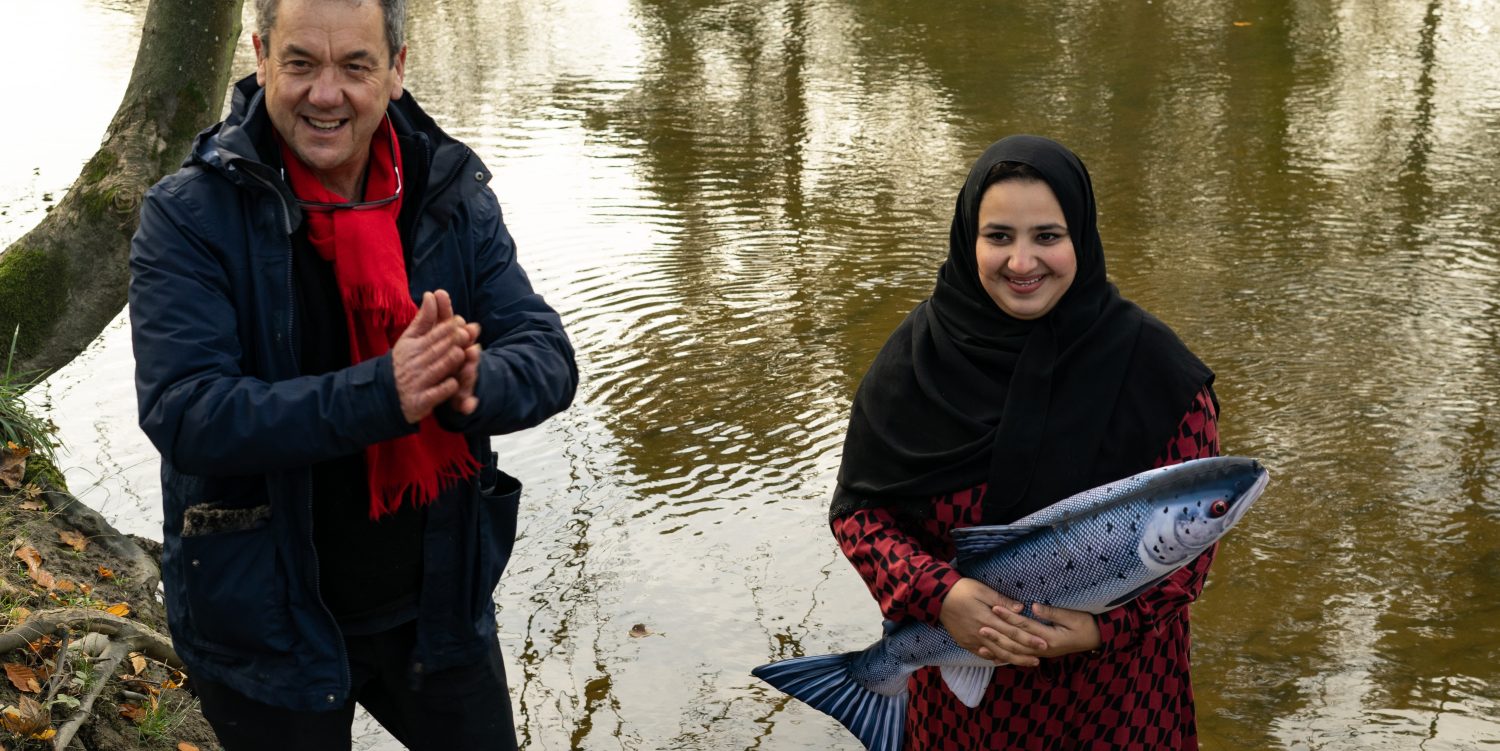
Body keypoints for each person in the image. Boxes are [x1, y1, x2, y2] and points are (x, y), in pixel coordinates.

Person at [127, 0, 577, 748]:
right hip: (265, 624)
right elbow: (187, 413)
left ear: (396, 70)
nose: (325, 94)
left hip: (439, 606)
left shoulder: (449, 193)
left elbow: (547, 354)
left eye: (355, 66)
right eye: (301, 62)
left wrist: (475, 385)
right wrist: (385, 394)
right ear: (262, 55)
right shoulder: (189, 215)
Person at [829, 135, 1220, 750]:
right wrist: (943, 595)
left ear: (1081, 238)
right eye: (999, 236)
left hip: (1120, 701)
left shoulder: (1159, 374)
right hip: (963, 706)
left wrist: (1099, 630)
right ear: (968, 239)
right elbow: (860, 517)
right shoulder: (913, 363)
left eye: (1047, 236)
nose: (1021, 263)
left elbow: (1193, 550)